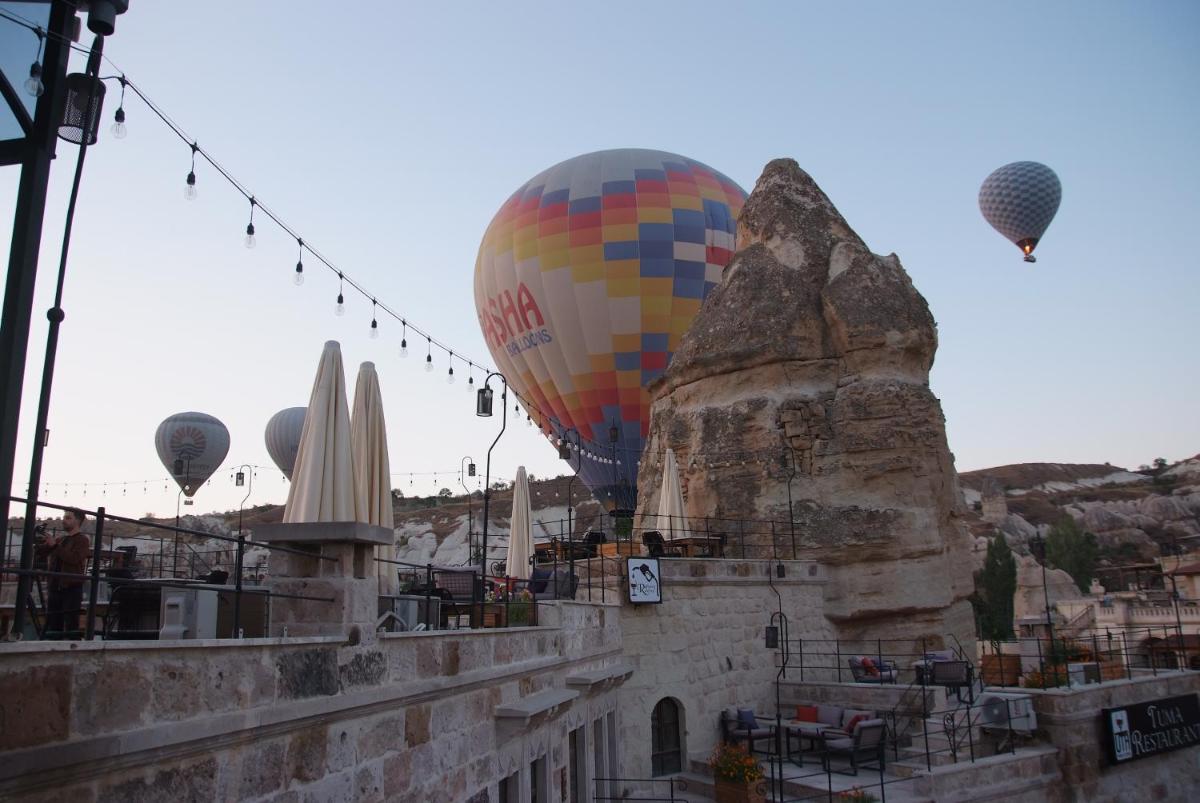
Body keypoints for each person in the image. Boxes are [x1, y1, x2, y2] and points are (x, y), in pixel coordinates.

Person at [34, 508, 91, 637]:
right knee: (54, 625)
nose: (64, 520)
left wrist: (54, 546)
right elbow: (40, 554)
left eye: (68, 518)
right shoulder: (61, 540)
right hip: (55, 587)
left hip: (71, 587)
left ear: (78, 521)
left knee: (71, 625)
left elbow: (74, 558)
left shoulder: (82, 540)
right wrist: (43, 543)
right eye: (64, 517)